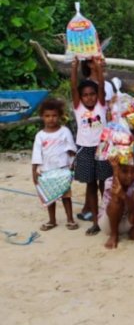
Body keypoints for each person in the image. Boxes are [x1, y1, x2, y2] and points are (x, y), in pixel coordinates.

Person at [71, 57, 109, 235]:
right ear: (80, 97)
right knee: (91, 185)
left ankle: (106, 217)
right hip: (85, 148)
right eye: (85, 95)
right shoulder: (79, 108)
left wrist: (99, 67)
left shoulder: (101, 106)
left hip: (102, 147)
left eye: (92, 94)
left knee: (105, 185)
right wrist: (74, 66)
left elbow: (100, 85)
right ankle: (95, 221)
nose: (89, 97)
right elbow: (73, 87)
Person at [31, 98, 78, 231]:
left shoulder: (64, 131)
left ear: (59, 116)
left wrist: (72, 163)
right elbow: (36, 155)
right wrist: (34, 172)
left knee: (66, 196)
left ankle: (70, 219)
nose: (51, 119)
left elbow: (71, 149)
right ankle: (52, 220)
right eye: (47, 116)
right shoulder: (40, 136)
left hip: (63, 170)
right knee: (49, 197)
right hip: (46, 171)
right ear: (42, 117)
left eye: (54, 115)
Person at [99, 155, 134, 250]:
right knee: (116, 202)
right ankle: (113, 235)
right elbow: (115, 201)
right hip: (108, 224)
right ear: (118, 171)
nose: (129, 175)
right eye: (124, 171)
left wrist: (124, 195)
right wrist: (115, 169)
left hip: (127, 221)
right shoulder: (109, 182)